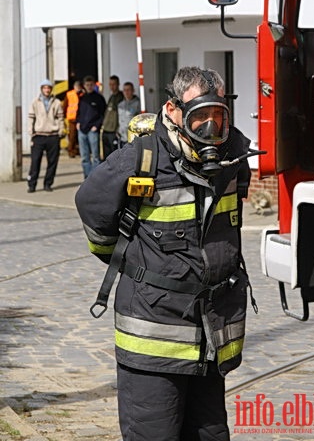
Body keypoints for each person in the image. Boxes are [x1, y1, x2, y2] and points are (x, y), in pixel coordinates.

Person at [75, 66, 252, 441]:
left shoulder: (234, 157)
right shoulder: (142, 159)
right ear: (173, 111)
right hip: (152, 336)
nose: (209, 128)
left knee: (211, 435)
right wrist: (123, 258)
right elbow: (91, 204)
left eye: (216, 116)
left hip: (208, 334)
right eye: (198, 116)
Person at [27, 79, 65, 193]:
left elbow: (60, 118)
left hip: (53, 135)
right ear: (41, 89)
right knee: (35, 161)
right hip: (38, 135)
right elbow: (31, 118)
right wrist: (31, 132)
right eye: (45, 88)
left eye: (48, 88)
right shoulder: (35, 102)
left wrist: (60, 131)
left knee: (52, 162)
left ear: (51, 89)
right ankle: (32, 184)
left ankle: (48, 184)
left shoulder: (57, 102)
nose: (47, 90)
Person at [76, 75, 106, 179]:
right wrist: (78, 122)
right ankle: (87, 177)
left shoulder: (99, 98)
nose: (89, 87)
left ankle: (95, 178)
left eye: (91, 85)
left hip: (93, 131)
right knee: (84, 157)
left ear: (94, 85)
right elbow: (78, 112)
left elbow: (103, 114)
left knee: (96, 156)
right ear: (84, 86)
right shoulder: (82, 98)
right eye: (87, 85)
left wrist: (96, 126)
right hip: (82, 130)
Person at [102, 75, 124, 158]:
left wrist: (118, 129)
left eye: (114, 84)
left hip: (113, 131)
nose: (112, 86)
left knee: (114, 156)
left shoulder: (121, 97)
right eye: (110, 84)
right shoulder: (111, 97)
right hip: (106, 129)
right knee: (106, 155)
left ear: (118, 84)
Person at [63, 80, 83, 158]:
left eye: (79, 87)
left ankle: (78, 150)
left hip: (81, 119)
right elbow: (65, 106)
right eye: (76, 87)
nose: (78, 88)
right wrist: (63, 117)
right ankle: (71, 151)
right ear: (74, 87)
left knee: (80, 137)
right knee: (72, 136)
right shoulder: (69, 94)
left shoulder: (83, 94)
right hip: (72, 119)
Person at [117, 82, 141, 147]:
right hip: (122, 138)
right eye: (124, 90)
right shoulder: (120, 105)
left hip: (133, 139)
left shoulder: (139, 104)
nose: (126, 92)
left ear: (133, 91)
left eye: (128, 90)